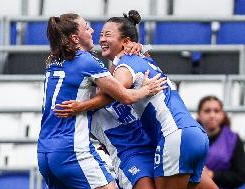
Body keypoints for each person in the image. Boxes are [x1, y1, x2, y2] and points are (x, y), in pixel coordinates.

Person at [55, 10, 217, 189]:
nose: (101, 39)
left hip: (171, 137)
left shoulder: (123, 66)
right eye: (100, 34)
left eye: (107, 34)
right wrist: (143, 48)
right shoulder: (138, 60)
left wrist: (80, 107)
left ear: (126, 42)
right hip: (193, 133)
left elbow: (114, 94)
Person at [38, 13, 164, 189]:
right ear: (75, 38)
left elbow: (105, 86)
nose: (92, 31)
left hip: (45, 152)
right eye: (87, 27)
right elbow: (124, 96)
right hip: (72, 150)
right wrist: (146, 89)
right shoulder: (86, 60)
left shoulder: (53, 61)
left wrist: (134, 49)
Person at [197, 95, 245, 189]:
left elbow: (241, 176)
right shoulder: (188, 138)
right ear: (199, 115)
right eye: (207, 111)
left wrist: (212, 175)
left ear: (222, 114)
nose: (212, 115)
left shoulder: (233, 139)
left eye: (216, 111)